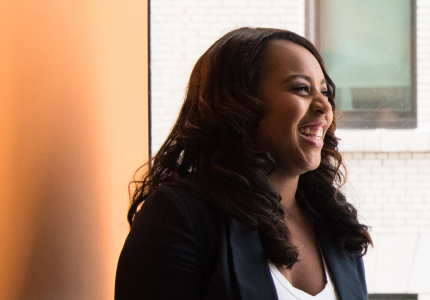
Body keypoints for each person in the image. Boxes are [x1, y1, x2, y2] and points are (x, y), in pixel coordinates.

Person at [115, 27, 371, 300]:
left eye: (325, 91)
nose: (325, 106)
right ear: (239, 105)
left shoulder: (336, 224)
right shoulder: (181, 215)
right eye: (301, 88)